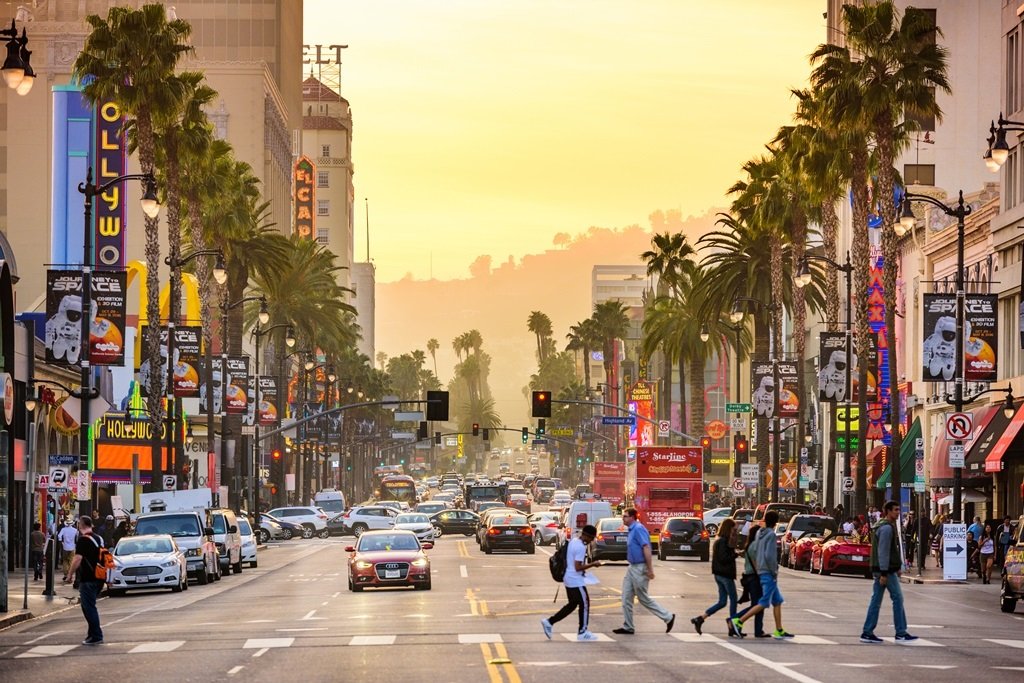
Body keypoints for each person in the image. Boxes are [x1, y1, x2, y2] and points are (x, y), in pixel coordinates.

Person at [860, 500, 917, 644]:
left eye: (898, 510)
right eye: (896, 510)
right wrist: (884, 573)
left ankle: (868, 632)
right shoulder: (886, 528)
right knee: (897, 598)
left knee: (876, 600)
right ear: (888, 512)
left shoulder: (885, 526)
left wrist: (896, 567)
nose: (898, 512)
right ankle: (901, 632)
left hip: (885, 569)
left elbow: (889, 551)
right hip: (884, 571)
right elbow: (883, 552)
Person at [612, 508, 675, 635]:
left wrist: (650, 568)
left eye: (625, 516)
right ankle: (628, 626)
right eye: (623, 516)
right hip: (632, 567)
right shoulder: (631, 530)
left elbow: (646, 547)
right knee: (626, 597)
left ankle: (668, 617)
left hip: (640, 567)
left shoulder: (638, 529)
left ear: (632, 517)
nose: (622, 518)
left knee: (643, 597)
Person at [731, 511, 793, 639]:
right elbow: (770, 555)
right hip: (768, 572)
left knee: (777, 601)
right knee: (764, 602)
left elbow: (758, 551)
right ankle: (738, 621)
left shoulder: (760, 533)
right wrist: (774, 571)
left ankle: (779, 629)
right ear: (776, 522)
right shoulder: (771, 535)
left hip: (760, 570)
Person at [541, 524, 602, 641]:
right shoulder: (580, 547)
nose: (591, 541)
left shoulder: (574, 541)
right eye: (591, 538)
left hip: (568, 578)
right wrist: (593, 564)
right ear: (587, 536)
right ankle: (582, 632)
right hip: (575, 580)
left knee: (572, 605)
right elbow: (578, 567)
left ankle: (550, 621)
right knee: (585, 604)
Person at [691, 518, 738, 635]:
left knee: (722, 602)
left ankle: (701, 618)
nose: (735, 531)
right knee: (733, 599)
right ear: (729, 528)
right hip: (725, 574)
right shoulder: (723, 541)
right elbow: (723, 558)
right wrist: (735, 554)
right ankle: (733, 625)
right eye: (733, 528)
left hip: (719, 574)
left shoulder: (719, 540)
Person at [64, 515, 105, 645]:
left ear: (80, 525)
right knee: (89, 606)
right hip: (99, 577)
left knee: (88, 607)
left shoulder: (83, 540)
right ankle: (91, 634)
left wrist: (70, 574)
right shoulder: (99, 538)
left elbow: (77, 559)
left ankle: (96, 636)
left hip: (88, 578)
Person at [734, 525, 767, 638]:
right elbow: (757, 563)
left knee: (758, 605)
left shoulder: (750, 545)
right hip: (755, 577)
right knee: (757, 605)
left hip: (751, 577)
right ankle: (734, 619)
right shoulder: (755, 546)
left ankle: (758, 630)